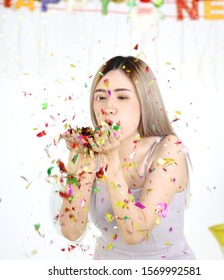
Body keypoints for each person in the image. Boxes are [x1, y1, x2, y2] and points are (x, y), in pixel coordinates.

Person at [59, 56, 195, 260]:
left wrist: (111, 164)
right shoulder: (90, 151)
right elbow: (71, 231)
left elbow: (135, 232)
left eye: (122, 97)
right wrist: (77, 162)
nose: (108, 107)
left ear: (145, 101)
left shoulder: (169, 149)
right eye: (101, 97)